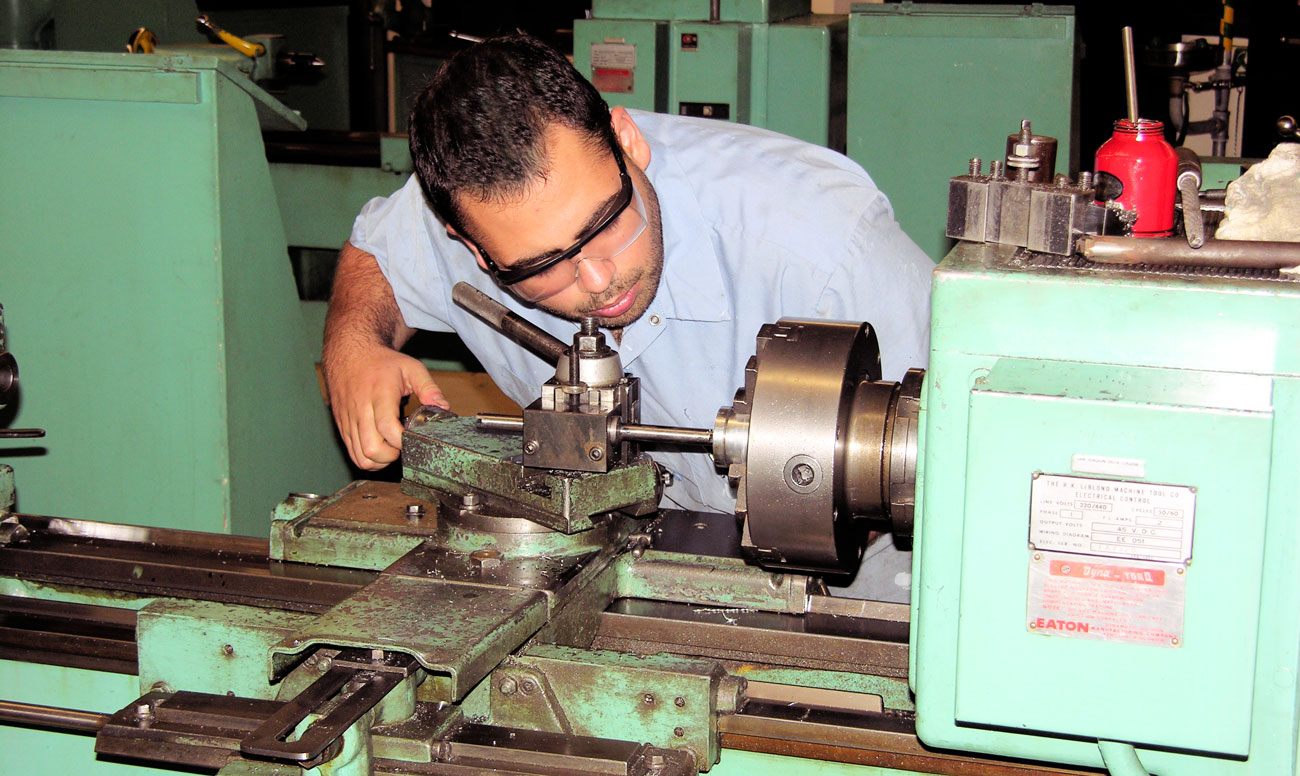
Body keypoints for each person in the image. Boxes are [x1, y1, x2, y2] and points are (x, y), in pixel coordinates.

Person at [323, 34, 932, 590]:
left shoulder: (821, 243)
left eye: (605, 225)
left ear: (627, 141)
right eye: (541, 267)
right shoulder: (475, 207)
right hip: (624, 567)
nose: (596, 279)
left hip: (856, 582)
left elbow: (961, 447)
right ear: (473, 248)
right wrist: (355, 346)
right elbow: (376, 252)